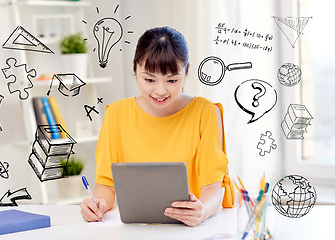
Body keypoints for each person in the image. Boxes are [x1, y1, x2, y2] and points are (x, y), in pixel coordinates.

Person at [80, 26, 234, 227]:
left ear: (186, 71)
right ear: (134, 68)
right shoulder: (116, 114)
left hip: (190, 231)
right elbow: (106, 185)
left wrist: (202, 211)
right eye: (149, 79)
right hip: (138, 231)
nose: (160, 91)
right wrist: (98, 204)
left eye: (172, 80)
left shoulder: (205, 112)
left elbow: (213, 188)